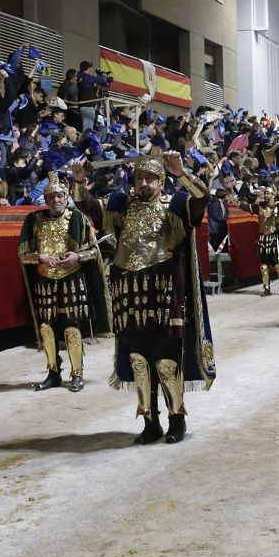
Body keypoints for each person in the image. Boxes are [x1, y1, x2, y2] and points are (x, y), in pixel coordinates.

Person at [80, 148, 216, 445]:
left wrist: (182, 174)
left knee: (166, 361)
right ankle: (150, 423)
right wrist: (79, 184)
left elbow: (203, 200)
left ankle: (176, 420)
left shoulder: (176, 204)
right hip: (128, 297)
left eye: (151, 178)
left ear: (162, 181)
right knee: (139, 360)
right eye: (140, 177)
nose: (143, 183)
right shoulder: (122, 205)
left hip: (165, 294)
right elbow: (92, 209)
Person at [18, 174, 111, 392]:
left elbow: (93, 250)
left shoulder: (78, 218)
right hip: (44, 279)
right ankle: (53, 372)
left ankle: (77, 373)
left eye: (59, 196)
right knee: (46, 328)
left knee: (72, 326)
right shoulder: (34, 220)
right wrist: (40, 257)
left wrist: (77, 257)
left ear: (66, 196)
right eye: (51, 197)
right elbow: (23, 254)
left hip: (72, 278)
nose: (55, 200)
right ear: (46, 199)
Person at [239, 185, 279, 296]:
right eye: (264, 193)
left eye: (268, 193)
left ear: (273, 195)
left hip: (273, 238)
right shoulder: (259, 206)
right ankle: (266, 288)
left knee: (277, 264)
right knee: (263, 265)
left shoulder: (278, 206)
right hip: (262, 239)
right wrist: (234, 201)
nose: (265, 195)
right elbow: (246, 207)